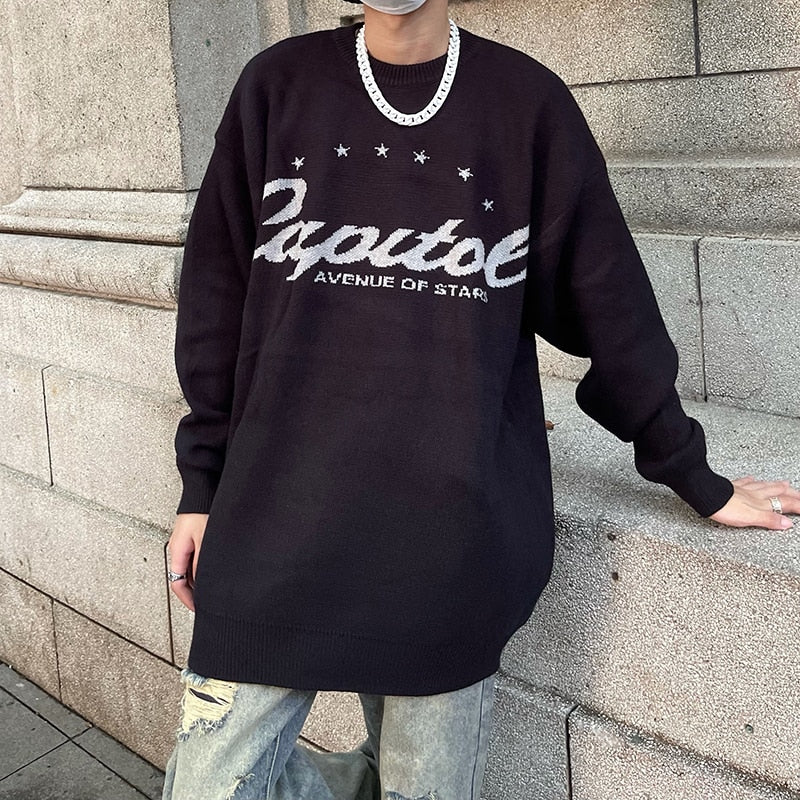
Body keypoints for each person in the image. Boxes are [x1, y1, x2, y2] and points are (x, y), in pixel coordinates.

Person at [162, 1, 798, 798]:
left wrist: (692, 473)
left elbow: (612, 305)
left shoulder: (525, 104)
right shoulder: (276, 87)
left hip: (446, 544)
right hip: (275, 522)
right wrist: (202, 483)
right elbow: (215, 300)